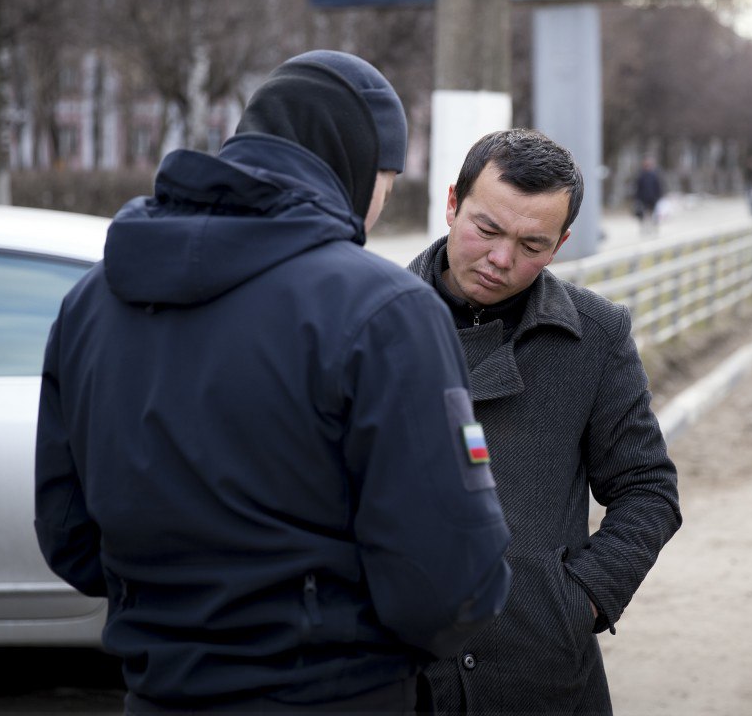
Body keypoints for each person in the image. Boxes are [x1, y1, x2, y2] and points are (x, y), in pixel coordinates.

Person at [34, 51, 512, 714]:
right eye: (388, 181)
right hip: (336, 694)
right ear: (355, 165)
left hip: (158, 693)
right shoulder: (384, 311)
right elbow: (450, 579)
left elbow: (69, 540)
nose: (380, 205)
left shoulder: (91, 301)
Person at [407, 129, 682, 714]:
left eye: (532, 244)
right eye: (486, 229)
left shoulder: (596, 336)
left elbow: (648, 490)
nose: (502, 259)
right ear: (452, 203)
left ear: (560, 244)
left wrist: (577, 602)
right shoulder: (370, 321)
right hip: (398, 679)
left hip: (546, 678)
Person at [632, 156, 664, 235]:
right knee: (643, 215)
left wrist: (658, 196)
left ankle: (654, 228)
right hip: (643, 198)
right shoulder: (641, 175)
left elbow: (658, 187)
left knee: (654, 214)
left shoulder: (654, 175)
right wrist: (637, 198)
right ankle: (645, 229)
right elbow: (638, 188)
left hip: (653, 198)